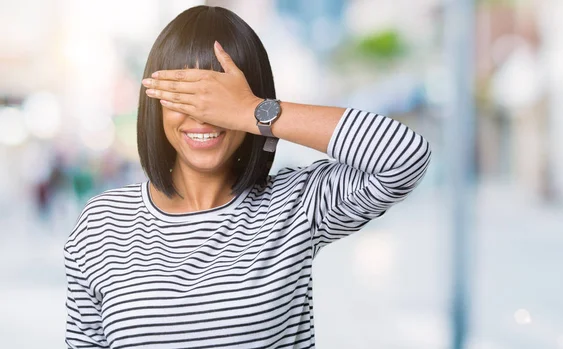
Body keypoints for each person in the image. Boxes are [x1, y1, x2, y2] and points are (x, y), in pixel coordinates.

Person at [63, 5, 431, 349]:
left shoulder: (296, 204)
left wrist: (252, 110)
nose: (202, 115)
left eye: (218, 97)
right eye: (186, 96)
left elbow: (404, 156)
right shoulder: (102, 224)